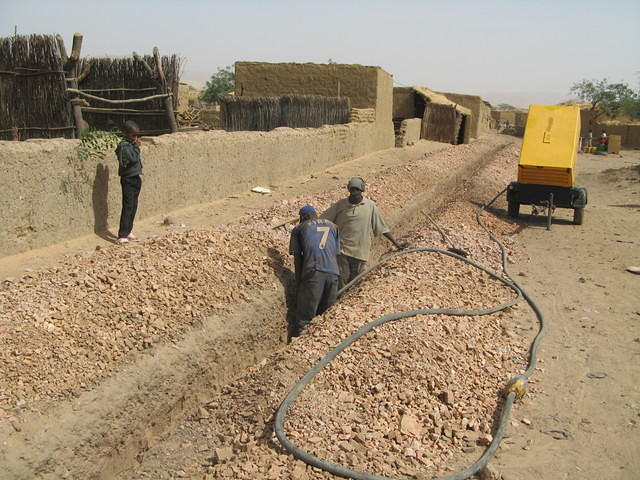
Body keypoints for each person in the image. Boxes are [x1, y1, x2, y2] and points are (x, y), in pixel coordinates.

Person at [321, 177, 408, 288]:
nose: (355, 192)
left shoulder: (370, 206)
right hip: (343, 250)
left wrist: (396, 243)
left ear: (362, 190)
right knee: (342, 279)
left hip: (361, 252)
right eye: (352, 190)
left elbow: (381, 227)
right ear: (349, 190)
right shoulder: (341, 205)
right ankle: (339, 301)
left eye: (357, 189)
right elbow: (324, 220)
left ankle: (349, 302)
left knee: (355, 281)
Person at [289, 205, 340, 337]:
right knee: (326, 316)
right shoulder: (333, 226)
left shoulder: (299, 228)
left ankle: (298, 347)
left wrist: (299, 283)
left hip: (314, 273)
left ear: (303, 217)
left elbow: (298, 259)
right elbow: (336, 253)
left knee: (304, 319)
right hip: (334, 273)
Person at [116, 121, 143, 244]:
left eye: (137, 135)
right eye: (133, 135)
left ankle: (128, 231)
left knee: (133, 206)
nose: (135, 138)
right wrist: (137, 148)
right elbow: (132, 159)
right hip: (128, 179)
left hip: (135, 177)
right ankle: (122, 234)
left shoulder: (130, 144)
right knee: (127, 206)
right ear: (126, 134)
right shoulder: (124, 146)